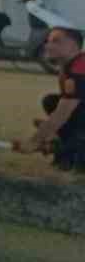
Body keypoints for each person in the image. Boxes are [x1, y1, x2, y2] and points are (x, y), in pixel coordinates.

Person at [30, 26, 85, 170]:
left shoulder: (80, 68)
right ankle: (67, 155)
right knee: (51, 101)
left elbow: (63, 114)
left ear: (72, 46)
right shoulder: (68, 67)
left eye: (56, 41)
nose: (48, 45)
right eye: (48, 41)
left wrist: (36, 140)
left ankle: (72, 154)